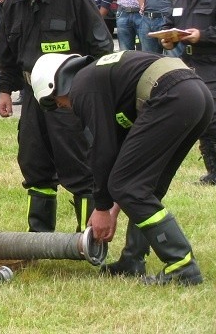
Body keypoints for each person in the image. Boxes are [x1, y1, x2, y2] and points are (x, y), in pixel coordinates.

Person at [32, 50, 212, 285]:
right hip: (196, 95)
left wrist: (103, 207)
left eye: (54, 102)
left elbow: (101, 149)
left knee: (130, 187)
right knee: (143, 188)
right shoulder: (101, 77)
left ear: (55, 84)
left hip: (174, 96)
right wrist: (116, 203)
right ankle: (132, 261)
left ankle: (182, 266)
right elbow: (120, 153)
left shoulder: (83, 88)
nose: (62, 106)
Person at [0, 0, 113, 232]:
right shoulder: (13, 3)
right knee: (35, 163)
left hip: (69, 98)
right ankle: (39, 236)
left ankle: (90, 237)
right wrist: (5, 90)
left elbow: (101, 46)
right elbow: (7, 51)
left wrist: (92, 94)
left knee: (78, 165)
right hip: (33, 96)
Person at [159, 0, 216, 185]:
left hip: (212, 64)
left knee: (211, 116)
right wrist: (166, 36)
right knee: (199, 115)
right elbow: (170, 23)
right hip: (187, 63)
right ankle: (212, 171)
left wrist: (201, 35)